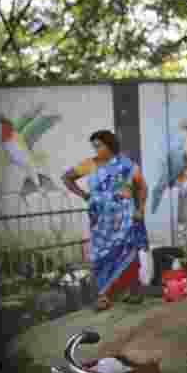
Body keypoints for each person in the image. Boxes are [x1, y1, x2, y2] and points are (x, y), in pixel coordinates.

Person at [62, 130, 149, 311]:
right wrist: (85, 195)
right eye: (94, 146)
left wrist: (140, 209)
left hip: (125, 219)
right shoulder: (89, 164)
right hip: (101, 222)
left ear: (110, 145)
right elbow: (67, 178)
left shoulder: (126, 164)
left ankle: (134, 291)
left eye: (99, 145)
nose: (96, 149)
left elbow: (142, 187)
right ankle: (103, 295)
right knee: (100, 256)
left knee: (128, 254)